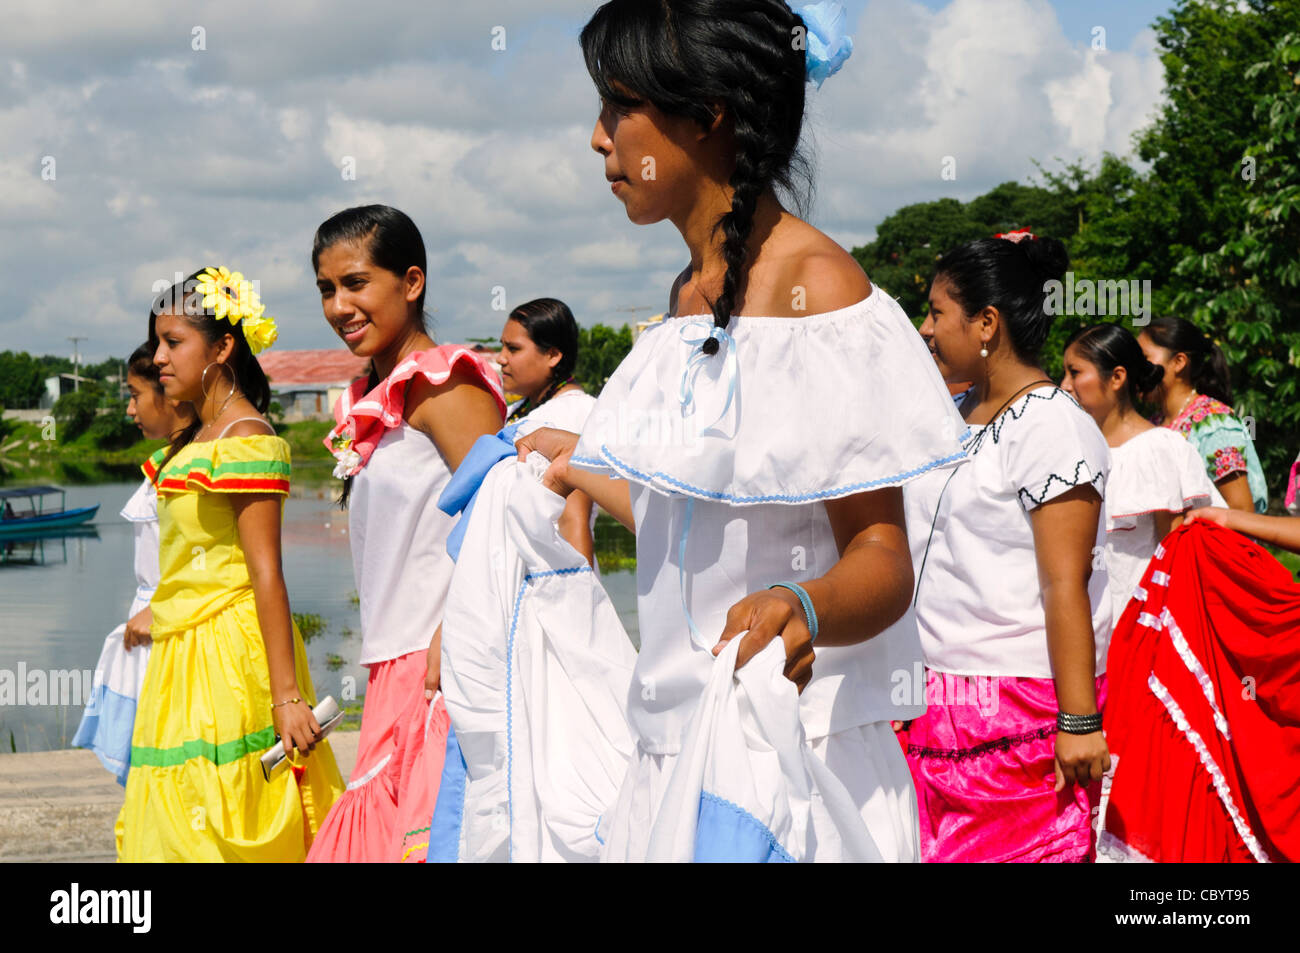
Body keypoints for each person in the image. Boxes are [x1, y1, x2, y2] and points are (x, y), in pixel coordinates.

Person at [518, 0, 968, 862]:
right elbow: (691, 524)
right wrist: (573, 468)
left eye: (617, 106)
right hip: (675, 746)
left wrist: (800, 604)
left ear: (708, 112)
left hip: (795, 758)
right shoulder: (689, 293)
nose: (597, 138)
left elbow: (882, 559)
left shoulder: (820, 291)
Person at [116, 268, 343, 861]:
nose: (159, 358)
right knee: (173, 821)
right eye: (158, 342)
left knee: (221, 816)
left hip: (230, 654)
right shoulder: (193, 438)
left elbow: (266, 570)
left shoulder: (246, 439)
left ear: (222, 347)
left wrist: (288, 696)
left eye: (174, 343)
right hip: (180, 654)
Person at [900, 233, 1112, 863]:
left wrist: (1077, 723)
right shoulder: (952, 416)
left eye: (938, 313)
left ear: (986, 322)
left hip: (1020, 715)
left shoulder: (1053, 425)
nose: (926, 329)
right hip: (934, 705)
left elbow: (1062, 584)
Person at [309, 205, 506, 863]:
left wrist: (455, 631)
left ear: (412, 281)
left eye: (357, 283)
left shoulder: (444, 384)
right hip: (393, 658)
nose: (340, 306)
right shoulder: (379, 396)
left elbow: (506, 511)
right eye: (326, 290)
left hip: (438, 666)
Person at [73, 342, 195, 784]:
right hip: (151, 624)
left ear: (171, 394)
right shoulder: (165, 463)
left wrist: (159, 608)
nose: (130, 409)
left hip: (173, 629)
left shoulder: (196, 465)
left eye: (135, 394)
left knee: (173, 764)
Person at [1060, 324, 1219, 621]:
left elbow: (1177, 558)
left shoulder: (1158, 449)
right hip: (1088, 629)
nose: (1064, 385)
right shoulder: (1072, 451)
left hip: (1142, 630)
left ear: (1117, 377)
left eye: (1075, 372)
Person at [496, 298, 599, 563]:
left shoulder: (576, 414)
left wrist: (578, 598)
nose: (501, 358)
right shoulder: (520, 409)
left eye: (513, 349)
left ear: (553, 355)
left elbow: (573, 520)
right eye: (502, 346)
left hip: (555, 574)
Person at [1138, 316, 1267, 513]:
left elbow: (1242, 511)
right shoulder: (1154, 423)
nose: (1136, 370)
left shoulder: (1213, 422)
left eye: (1144, 359)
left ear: (1179, 362)